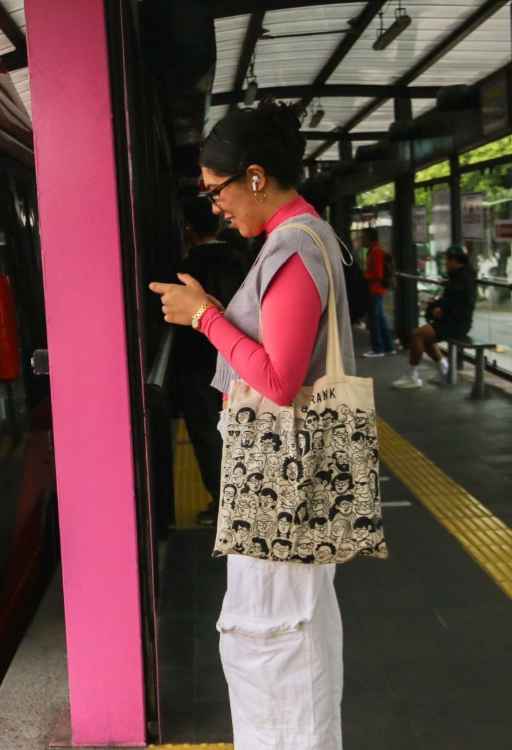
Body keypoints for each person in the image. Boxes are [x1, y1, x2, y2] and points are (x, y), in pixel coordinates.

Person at [150, 99, 353, 749]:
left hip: (282, 476)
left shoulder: (294, 248)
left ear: (256, 176)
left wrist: (204, 315)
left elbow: (279, 382)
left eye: (216, 191)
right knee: (282, 640)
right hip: (284, 476)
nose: (215, 206)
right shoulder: (299, 237)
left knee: (278, 646)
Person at [172, 197, 249, 526]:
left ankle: (223, 505)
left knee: (207, 434)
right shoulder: (243, 263)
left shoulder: (185, 271)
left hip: (200, 366)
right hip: (242, 359)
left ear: (187, 229)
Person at [391, 244, 478, 389]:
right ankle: (445, 369)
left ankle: (413, 376)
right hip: (452, 320)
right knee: (424, 338)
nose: (445, 263)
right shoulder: (459, 275)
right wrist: (437, 307)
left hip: (457, 323)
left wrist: (444, 309)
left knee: (417, 335)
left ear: (454, 261)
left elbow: (464, 302)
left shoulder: (464, 278)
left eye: (447, 260)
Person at [359, 228, 395, 357]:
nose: (361, 240)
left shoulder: (375, 252)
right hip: (377, 289)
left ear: (368, 238)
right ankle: (388, 346)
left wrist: (364, 276)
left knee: (373, 318)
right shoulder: (375, 251)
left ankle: (377, 348)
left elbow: (378, 274)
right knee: (379, 317)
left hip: (375, 289)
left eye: (363, 237)